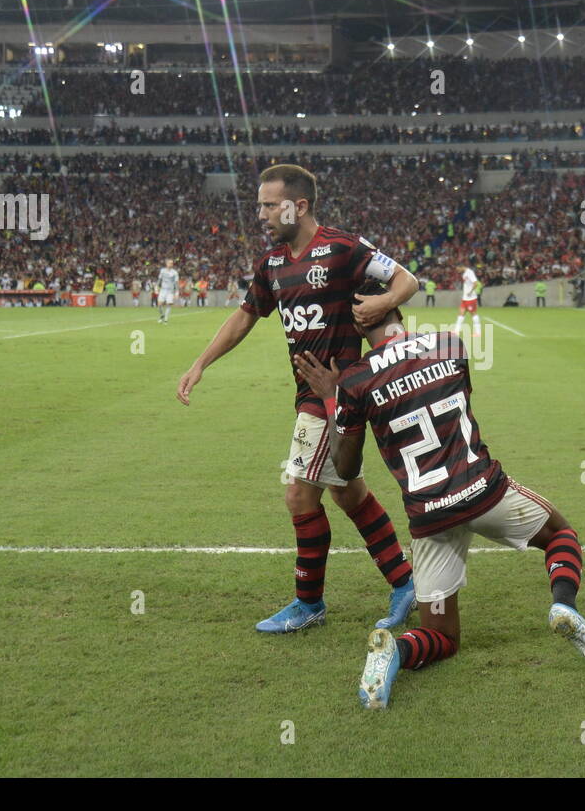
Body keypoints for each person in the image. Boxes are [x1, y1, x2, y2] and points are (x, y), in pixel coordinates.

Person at [293, 282, 585, 710]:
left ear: (357, 325)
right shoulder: (449, 344)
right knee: (559, 534)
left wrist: (332, 399)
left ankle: (396, 651)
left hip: (429, 518)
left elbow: (347, 469)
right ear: (396, 310)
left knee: (443, 636)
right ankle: (563, 606)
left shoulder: (354, 381)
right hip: (484, 492)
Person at [175, 162, 419, 634]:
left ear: (298, 205)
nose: (261, 214)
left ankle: (309, 603)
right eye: (260, 205)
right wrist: (200, 363)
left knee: (298, 493)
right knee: (349, 493)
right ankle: (404, 581)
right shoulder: (271, 264)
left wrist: (383, 303)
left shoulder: (342, 247)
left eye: (270, 205)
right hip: (309, 393)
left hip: (337, 393)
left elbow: (406, 279)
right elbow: (245, 318)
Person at [453, 266, 481, 337]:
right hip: (465, 298)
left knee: (473, 314)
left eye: (458, 269)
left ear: (461, 266)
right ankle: (456, 331)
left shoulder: (470, 272)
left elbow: (476, 283)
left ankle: (478, 333)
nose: (457, 271)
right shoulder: (465, 273)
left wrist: (470, 292)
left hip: (471, 298)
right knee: (461, 314)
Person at [156, 259, 179, 323]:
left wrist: (177, 292)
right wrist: (156, 286)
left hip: (170, 291)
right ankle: (162, 315)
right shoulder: (162, 271)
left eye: (172, 263)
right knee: (159, 304)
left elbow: (176, 283)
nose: (171, 264)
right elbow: (159, 279)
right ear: (166, 264)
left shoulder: (175, 272)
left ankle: (166, 319)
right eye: (170, 263)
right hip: (163, 290)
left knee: (169, 304)